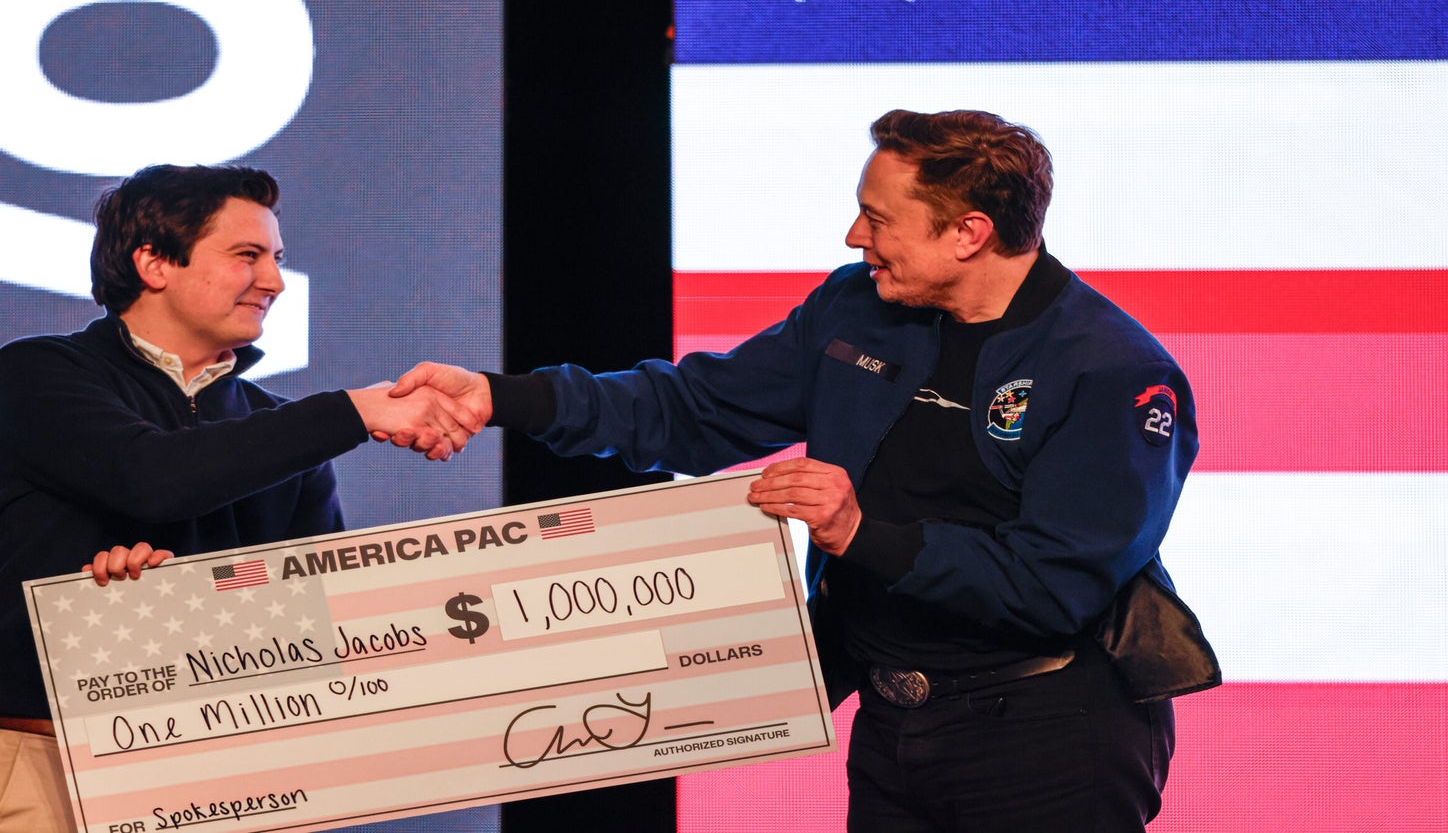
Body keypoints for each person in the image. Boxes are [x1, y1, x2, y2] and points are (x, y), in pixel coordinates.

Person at [393, 110, 1220, 831]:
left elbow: (1053, 585)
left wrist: (864, 533)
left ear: (968, 232)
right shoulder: (858, 306)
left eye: (878, 219)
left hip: (1049, 734)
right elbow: (693, 411)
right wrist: (502, 398)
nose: (855, 238)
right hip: (893, 722)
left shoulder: (1112, 373)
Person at [0, 164, 481, 832]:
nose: (275, 282)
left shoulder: (290, 432)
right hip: (49, 762)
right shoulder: (37, 372)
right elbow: (153, 479)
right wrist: (351, 411)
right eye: (247, 255)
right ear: (153, 263)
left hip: (223, 778)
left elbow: (315, 629)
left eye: (277, 259)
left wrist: (175, 611)